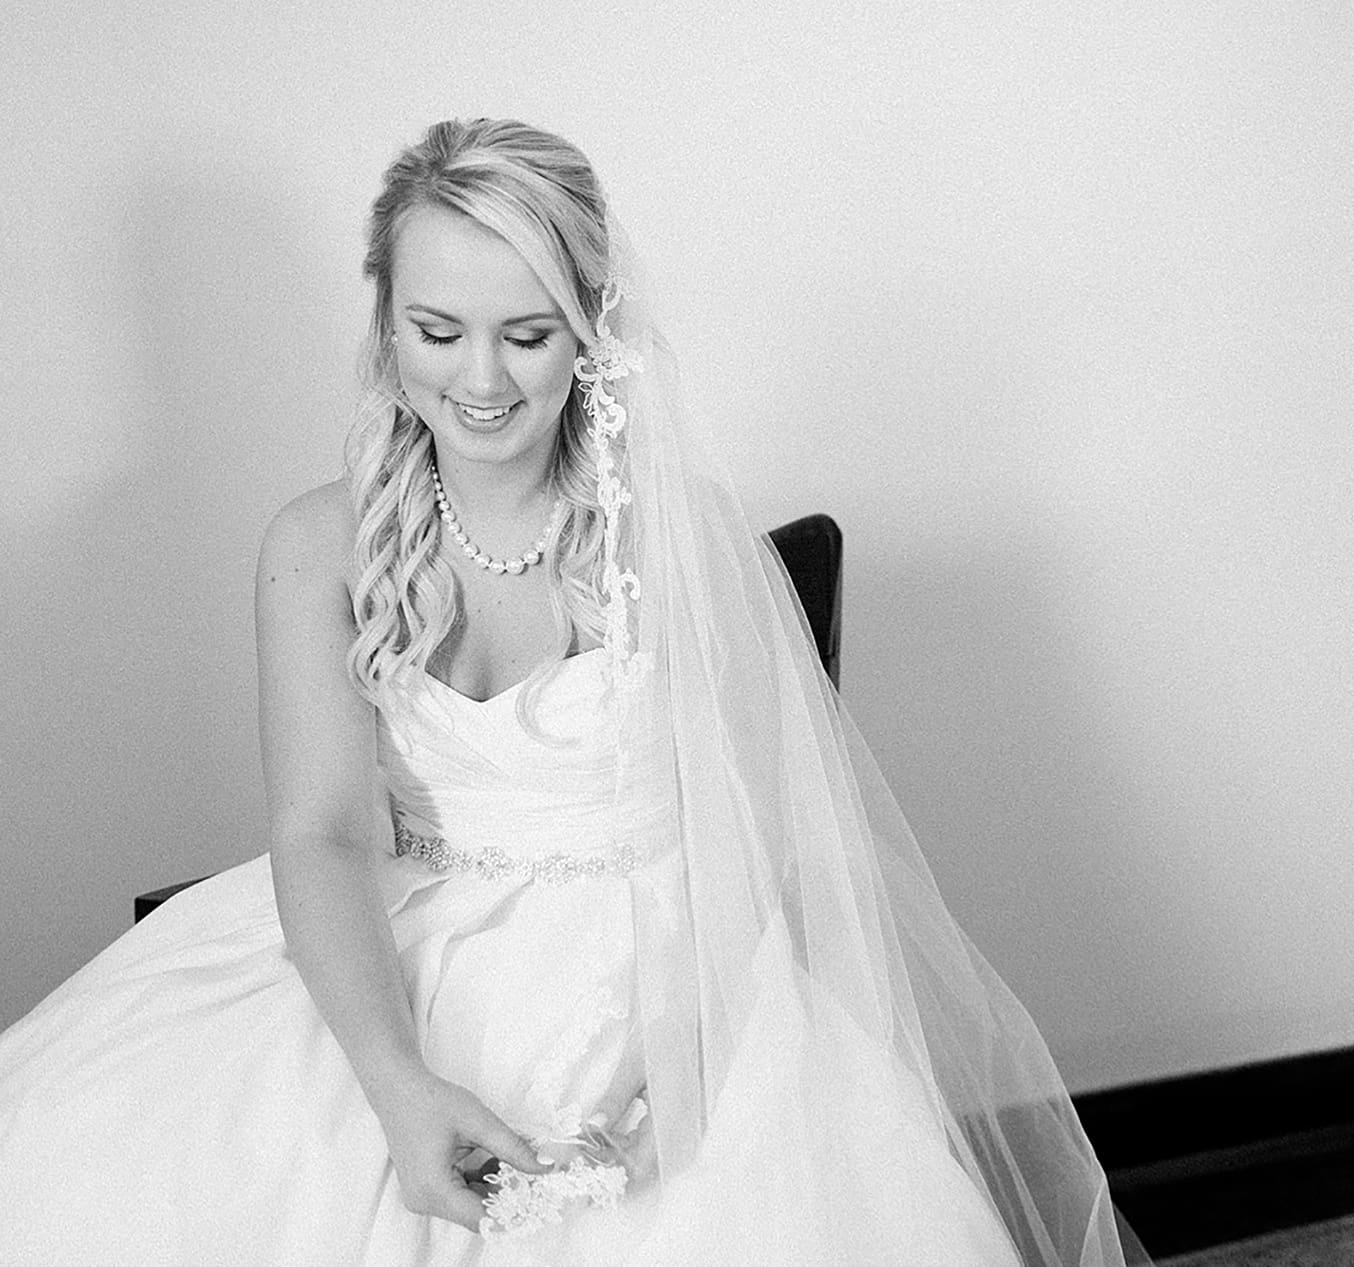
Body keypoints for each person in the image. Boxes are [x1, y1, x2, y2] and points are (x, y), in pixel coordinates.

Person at [0, 118, 1144, 1266]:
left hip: (667, 959)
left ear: (592, 329)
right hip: (387, 944)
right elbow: (324, 829)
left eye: (529, 334)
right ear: (384, 320)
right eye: (438, 330)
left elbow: (744, 842)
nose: (482, 380)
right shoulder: (316, 545)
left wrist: (682, 1067)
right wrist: (398, 1086)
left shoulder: (679, 537)